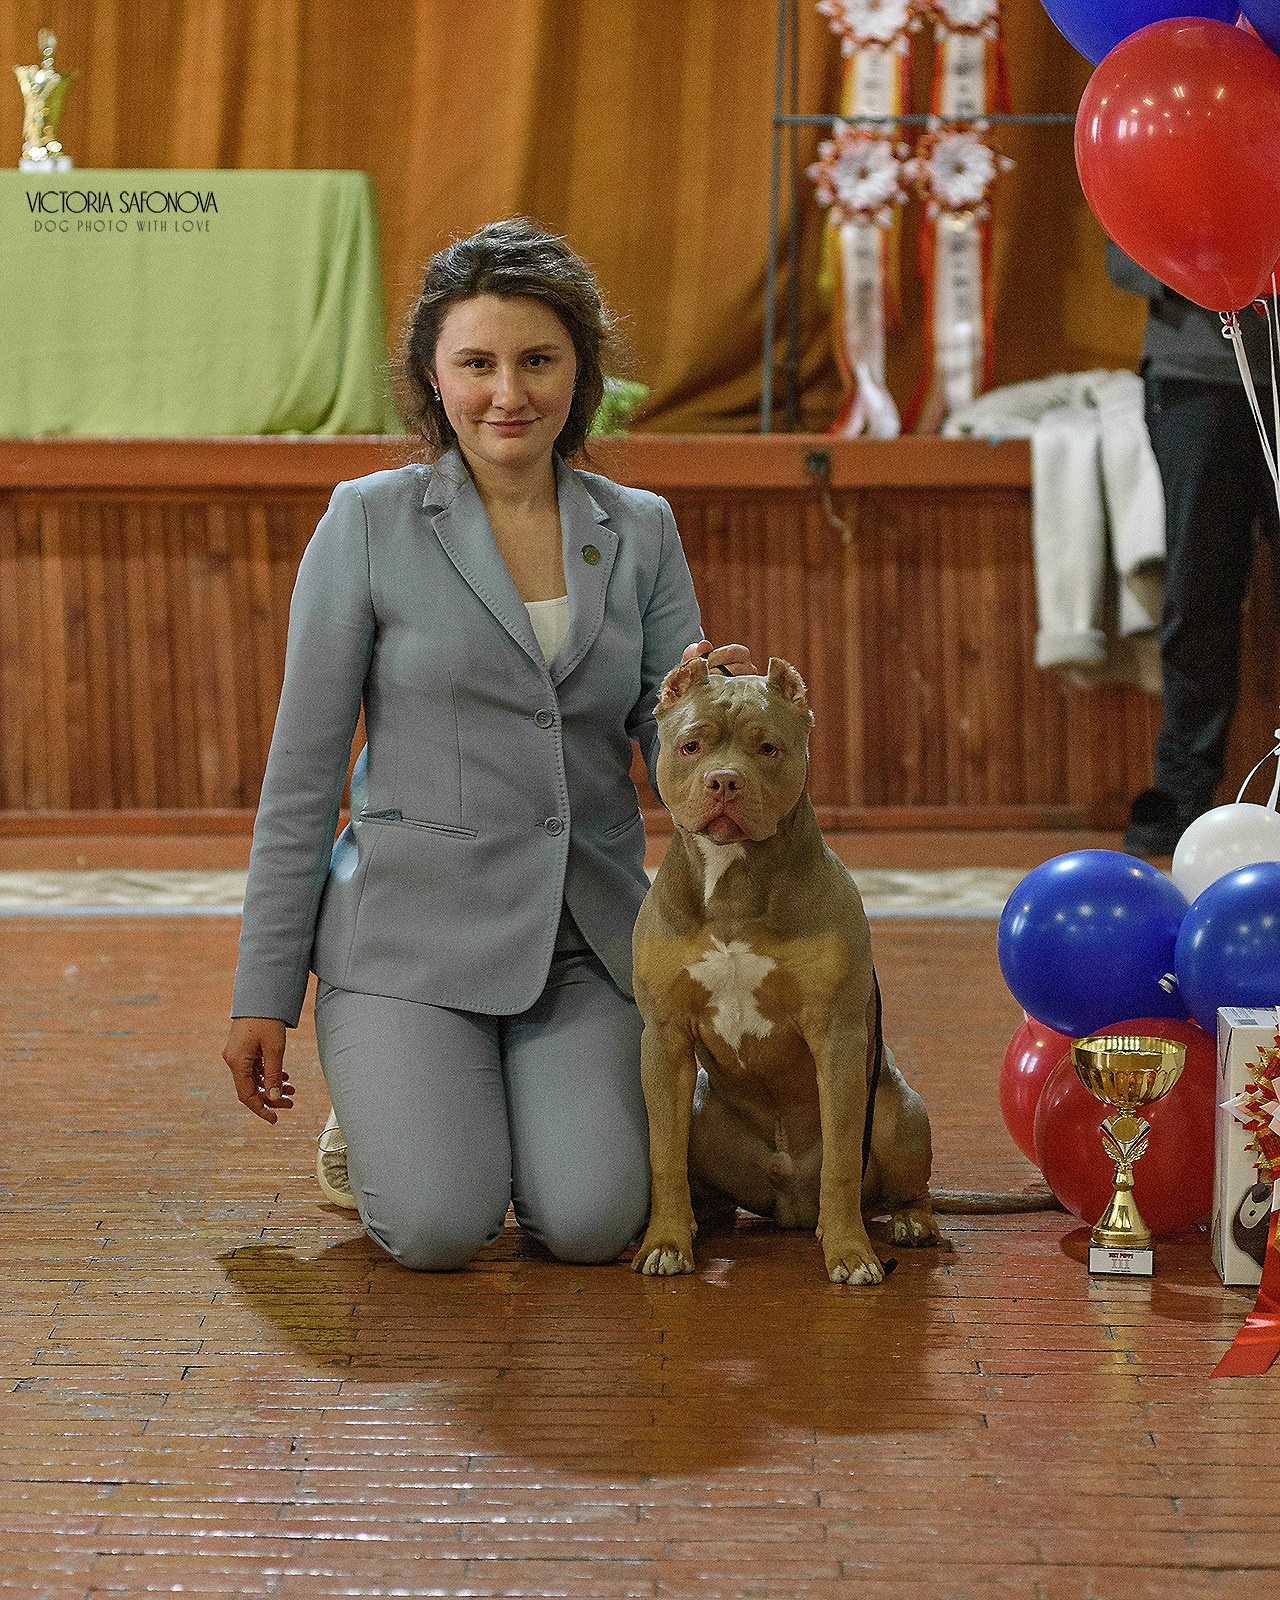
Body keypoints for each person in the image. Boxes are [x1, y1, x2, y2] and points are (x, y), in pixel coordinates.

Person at [221, 219, 752, 1270]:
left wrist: (708, 707)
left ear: (578, 372)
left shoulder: (640, 527)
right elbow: (303, 775)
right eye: (476, 364)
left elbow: (668, 737)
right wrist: (262, 994)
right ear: (434, 374)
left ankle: (503, 1116)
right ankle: (379, 1115)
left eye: (537, 361)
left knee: (594, 1223)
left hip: (583, 935)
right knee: (436, 1229)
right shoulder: (365, 520)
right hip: (407, 941)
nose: (507, 393)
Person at [1107, 242, 1279, 857]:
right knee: (1199, 589)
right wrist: (1216, 266)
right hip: (1196, 372)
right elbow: (1126, 240)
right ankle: (1182, 793)